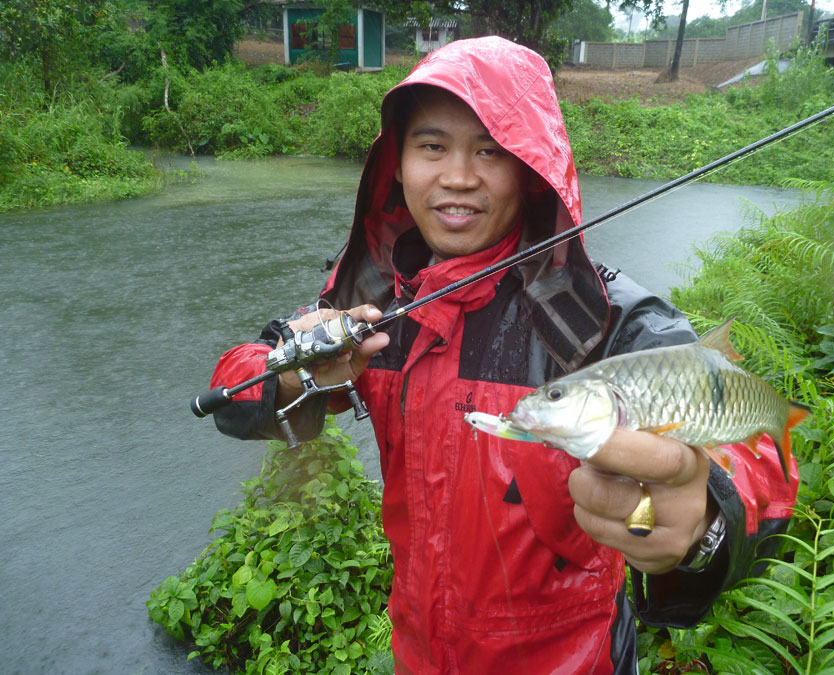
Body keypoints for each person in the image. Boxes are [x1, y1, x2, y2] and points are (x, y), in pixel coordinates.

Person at [208, 37, 799, 674]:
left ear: (530, 168)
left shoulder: (602, 316)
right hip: (418, 655)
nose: (458, 176)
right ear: (396, 165)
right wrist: (297, 370)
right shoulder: (369, 305)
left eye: (490, 149)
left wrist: (706, 513)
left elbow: (756, 464)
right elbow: (235, 387)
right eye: (432, 146)